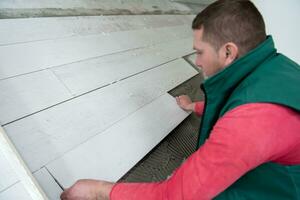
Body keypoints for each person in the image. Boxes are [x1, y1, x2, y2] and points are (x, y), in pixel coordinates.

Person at [60, 0, 300, 199]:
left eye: (199, 51)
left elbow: (176, 196)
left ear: (228, 52)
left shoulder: (251, 122)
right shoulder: (276, 68)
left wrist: (97, 190)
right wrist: (193, 106)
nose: (197, 61)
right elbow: (240, 102)